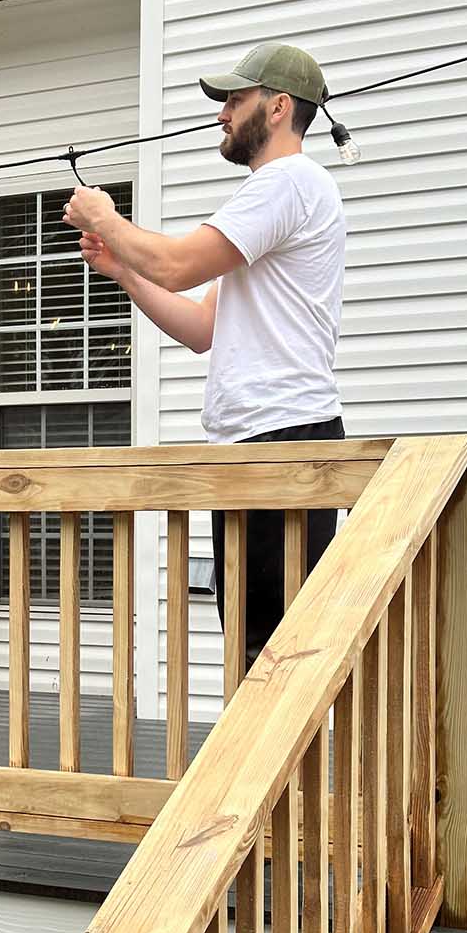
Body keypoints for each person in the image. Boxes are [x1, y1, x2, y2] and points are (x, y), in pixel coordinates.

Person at [62, 41, 346, 667]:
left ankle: (271, 769)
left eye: (234, 100)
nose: (221, 112)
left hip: (284, 440)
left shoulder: (286, 183)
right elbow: (201, 327)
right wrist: (122, 274)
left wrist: (106, 217)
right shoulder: (275, 201)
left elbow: (178, 264)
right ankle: (261, 768)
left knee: (275, 654)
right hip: (255, 443)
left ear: (277, 108)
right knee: (254, 646)